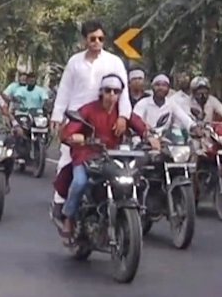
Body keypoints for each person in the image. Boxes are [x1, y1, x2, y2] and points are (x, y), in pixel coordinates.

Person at [56, 74, 156, 242]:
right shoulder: (88, 109)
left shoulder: (123, 113)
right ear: (101, 92)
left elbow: (140, 126)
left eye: (116, 91)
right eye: (108, 91)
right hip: (87, 155)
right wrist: (76, 137)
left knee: (137, 178)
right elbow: (68, 131)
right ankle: (69, 217)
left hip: (115, 157)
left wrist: (150, 137)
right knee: (79, 181)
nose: (111, 95)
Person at [48, 19, 131, 224]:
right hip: (77, 118)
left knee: (113, 160)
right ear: (85, 40)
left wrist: (123, 117)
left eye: (101, 38)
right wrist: (58, 116)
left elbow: (124, 92)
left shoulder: (114, 62)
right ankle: (60, 203)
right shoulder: (75, 62)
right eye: (92, 38)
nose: (97, 42)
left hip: (105, 117)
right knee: (68, 159)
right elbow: (65, 89)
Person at [132, 75, 197, 136]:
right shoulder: (143, 103)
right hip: (144, 137)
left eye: (164, 85)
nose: (160, 88)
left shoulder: (171, 103)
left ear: (168, 88)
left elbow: (184, 117)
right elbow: (135, 119)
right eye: (157, 85)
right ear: (152, 87)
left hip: (165, 139)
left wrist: (193, 126)